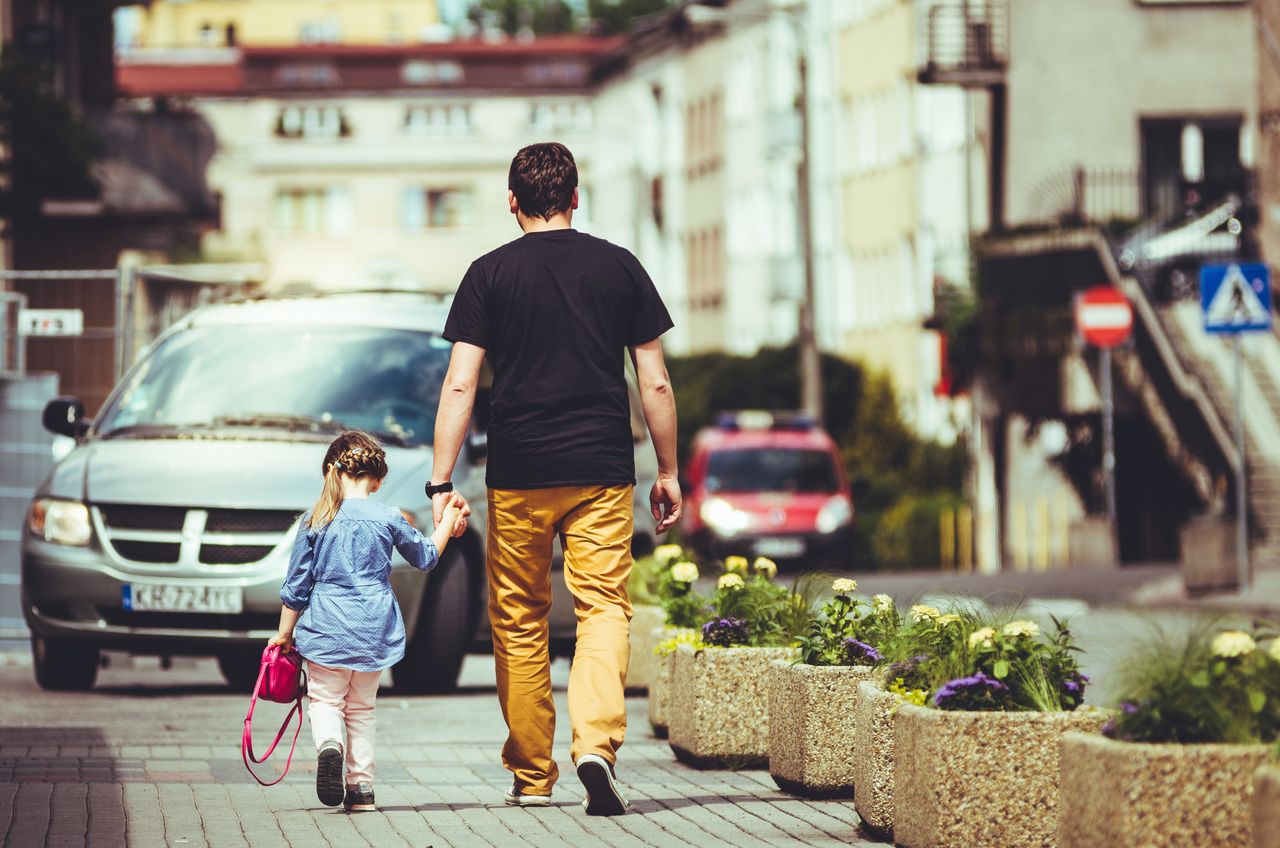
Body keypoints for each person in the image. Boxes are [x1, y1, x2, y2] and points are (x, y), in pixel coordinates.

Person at [428, 142, 681, 816]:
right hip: (601, 468)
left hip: (518, 472)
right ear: (575, 197)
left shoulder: (488, 273)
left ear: (513, 201)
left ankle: (533, 774)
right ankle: (596, 743)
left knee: (519, 616)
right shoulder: (620, 267)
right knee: (602, 608)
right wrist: (671, 470)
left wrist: (439, 480)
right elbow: (652, 379)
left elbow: (459, 384)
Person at [269, 430, 464, 812]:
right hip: (373, 629)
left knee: (325, 700)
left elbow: (296, 586)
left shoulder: (316, 519)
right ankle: (361, 789)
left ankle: (330, 744)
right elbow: (425, 556)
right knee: (362, 709)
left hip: (326, 627)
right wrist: (449, 519)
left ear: (332, 471)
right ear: (376, 480)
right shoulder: (388, 516)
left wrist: (284, 634)